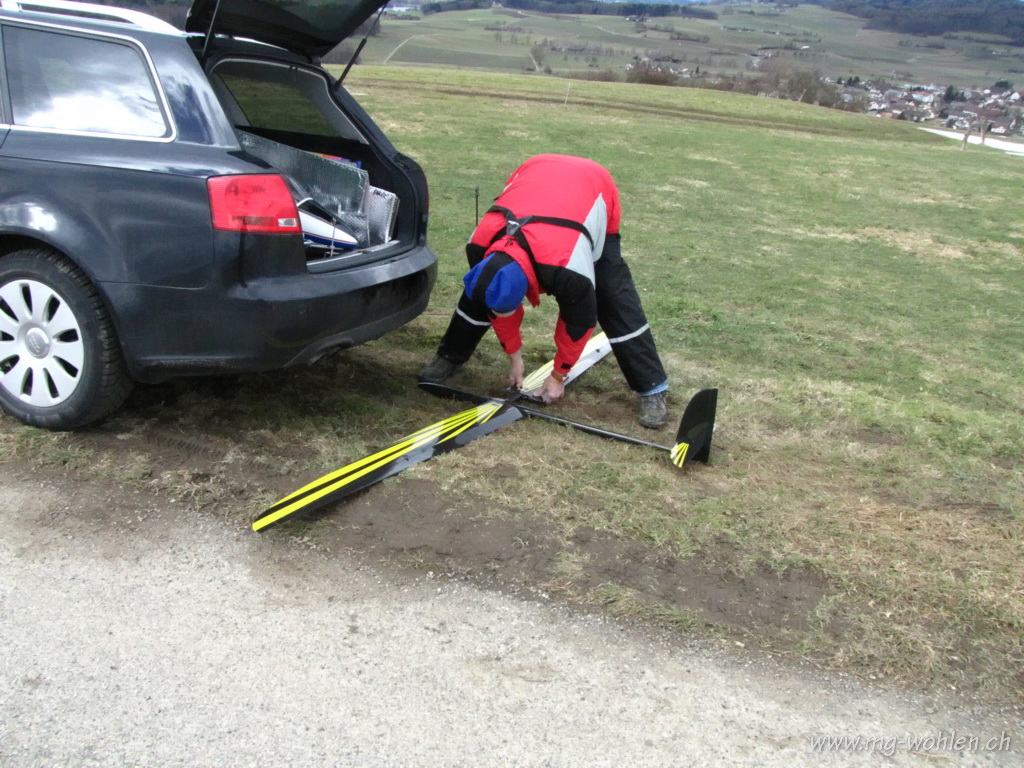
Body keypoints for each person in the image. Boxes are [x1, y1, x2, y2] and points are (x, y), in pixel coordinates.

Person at [418, 154, 669, 429]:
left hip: (593, 186)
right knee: (482, 292)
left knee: (612, 297)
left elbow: (579, 322)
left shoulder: (569, 268)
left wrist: (559, 375)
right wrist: (514, 357)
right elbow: (494, 301)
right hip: (534, 171)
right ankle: (449, 357)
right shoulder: (479, 243)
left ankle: (652, 388)